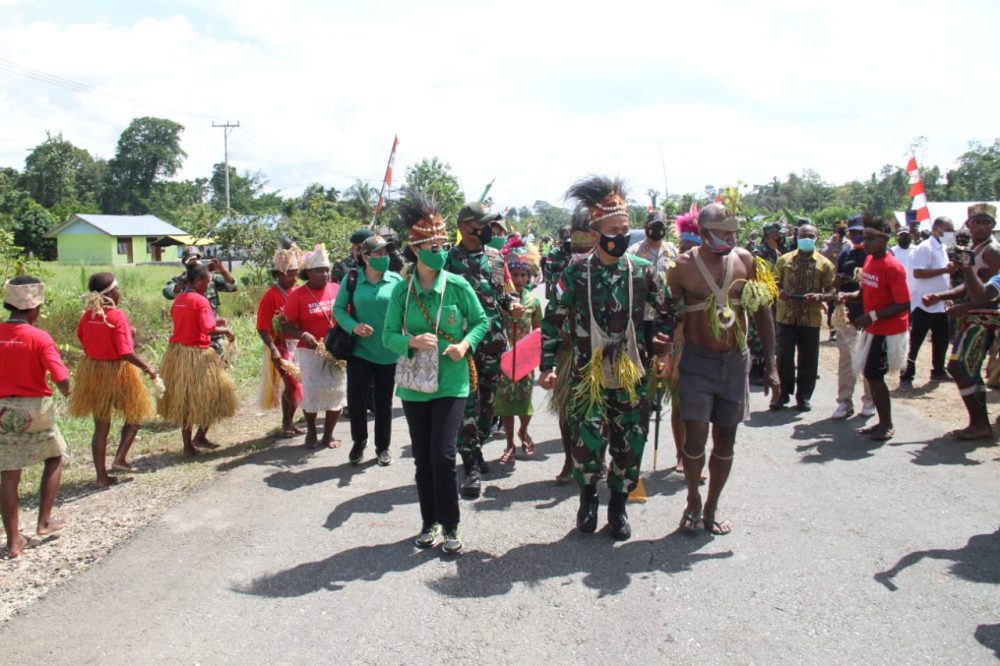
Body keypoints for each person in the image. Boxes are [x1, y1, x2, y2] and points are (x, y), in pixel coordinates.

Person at [539, 176, 676, 541]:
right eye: (613, 229)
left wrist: (664, 345)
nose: (620, 235)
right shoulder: (576, 271)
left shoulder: (643, 271)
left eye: (625, 229)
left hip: (631, 372)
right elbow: (552, 318)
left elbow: (666, 312)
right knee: (587, 442)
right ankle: (587, 500)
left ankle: (617, 506)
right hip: (588, 373)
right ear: (597, 233)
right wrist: (547, 366)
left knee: (630, 442)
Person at [382, 193, 488, 555]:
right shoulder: (402, 291)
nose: (440, 251)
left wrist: (465, 345)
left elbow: (481, 321)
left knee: (443, 456)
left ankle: (452, 525)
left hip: (452, 382)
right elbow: (388, 336)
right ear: (415, 249)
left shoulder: (458, 286)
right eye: (432, 245)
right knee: (423, 458)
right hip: (414, 387)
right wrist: (410, 340)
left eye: (443, 244)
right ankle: (430, 521)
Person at [666, 203, 780, 535]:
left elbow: (762, 313)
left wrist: (771, 364)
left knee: (726, 441)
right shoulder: (681, 267)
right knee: (696, 439)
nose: (731, 238)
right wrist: (664, 356)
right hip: (695, 363)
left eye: (733, 232)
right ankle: (693, 500)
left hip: (733, 363)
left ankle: (712, 505)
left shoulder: (746, 261)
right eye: (723, 232)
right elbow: (667, 316)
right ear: (703, 233)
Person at [445, 201, 522, 497]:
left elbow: (503, 293)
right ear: (465, 227)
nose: (489, 229)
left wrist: (512, 304)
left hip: (494, 341)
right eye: (483, 224)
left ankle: (476, 446)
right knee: (468, 404)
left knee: (489, 404)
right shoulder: (449, 260)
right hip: (463, 345)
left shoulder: (494, 256)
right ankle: (470, 464)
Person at [0, 277, 68, 558]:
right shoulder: (39, 338)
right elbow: (61, 377)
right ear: (34, 308)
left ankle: (14, 541)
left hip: (2, 410)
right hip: (33, 410)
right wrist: (68, 392)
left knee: (9, 473)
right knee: (56, 455)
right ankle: (44, 521)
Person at [70, 272, 158, 485]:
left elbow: (83, 338)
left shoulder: (87, 316)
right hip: (117, 373)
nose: (120, 292)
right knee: (135, 414)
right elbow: (125, 352)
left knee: (101, 425)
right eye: (118, 288)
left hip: (93, 372)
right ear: (110, 293)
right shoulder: (118, 316)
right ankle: (120, 458)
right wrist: (148, 368)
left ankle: (101, 477)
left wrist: (125, 333)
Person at [924, 203, 1000, 439]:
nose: (979, 226)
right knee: (965, 368)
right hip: (974, 316)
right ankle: (979, 422)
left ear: (993, 225)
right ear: (967, 225)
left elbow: (989, 294)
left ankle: (980, 424)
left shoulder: (992, 252)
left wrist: (963, 307)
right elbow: (970, 286)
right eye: (975, 221)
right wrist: (941, 296)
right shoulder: (976, 250)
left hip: (987, 318)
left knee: (959, 366)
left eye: (984, 222)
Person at [837, 214, 910, 441]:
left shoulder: (892, 267)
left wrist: (873, 316)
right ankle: (882, 421)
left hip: (888, 330)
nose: (864, 242)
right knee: (872, 375)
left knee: (873, 375)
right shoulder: (869, 261)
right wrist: (848, 296)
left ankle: (886, 424)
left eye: (869, 238)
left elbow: (904, 303)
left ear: (884, 240)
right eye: (863, 237)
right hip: (874, 328)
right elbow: (865, 292)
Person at [333, 235, 403, 466]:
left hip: (388, 353)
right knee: (357, 400)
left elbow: (406, 311)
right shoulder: (351, 279)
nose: (385, 258)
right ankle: (358, 442)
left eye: (386, 253)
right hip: (360, 352)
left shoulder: (395, 280)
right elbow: (339, 309)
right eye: (379, 254)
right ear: (365, 257)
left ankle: (382, 447)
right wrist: (354, 327)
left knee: (384, 403)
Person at [158, 264, 238, 456]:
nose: (209, 285)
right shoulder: (200, 301)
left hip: (177, 355)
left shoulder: (179, 300)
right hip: (198, 356)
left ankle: (188, 446)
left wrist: (216, 321)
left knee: (185, 401)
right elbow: (207, 329)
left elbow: (188, 322)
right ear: (198, 280)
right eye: (208, 281)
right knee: (216, 395)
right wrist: (226, 330)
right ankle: (200, 436)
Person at [283, 244, 346, 450]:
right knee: (312, 392)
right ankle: (311, 431)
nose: (324, 274)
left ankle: (328, 435)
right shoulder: (297, 296)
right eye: (319, 270)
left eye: (326, 270)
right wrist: (303, 334)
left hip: (335, 351)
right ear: (308, 273)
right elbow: (285, 326)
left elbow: (347, 315)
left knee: (336, 392)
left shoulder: (337, 289)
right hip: (310, 352)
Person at [770, 224, 836, 411]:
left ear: (816, 237)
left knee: (808, 359)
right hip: (786, 317)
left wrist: (820, 297)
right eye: (803, 235)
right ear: (797, 237)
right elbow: (773, 282)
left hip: (811, 318)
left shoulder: (825, 264)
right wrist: (779, 291)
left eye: (810, 235)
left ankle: (804, 396)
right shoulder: (784, 260)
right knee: (784, 357)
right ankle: (783, 394)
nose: (806, 238)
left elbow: (832, 291)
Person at [495, 247, 543, 465]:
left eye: (524, 275)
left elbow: (537, 330)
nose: (520, 279)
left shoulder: (533, 301)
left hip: (525, 360)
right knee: (505, 403)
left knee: (524, 401)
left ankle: (523, 432)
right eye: (515, 275)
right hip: (505, 358)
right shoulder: (502, 301)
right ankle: (509, 444)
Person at [256, 244, 305, 437]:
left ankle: (290, 422)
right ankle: (286, 423)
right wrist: (273, 349)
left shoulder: (298, 291)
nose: (294, 278)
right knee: (292, 384)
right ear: (278, 275)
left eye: (296, 273)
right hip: (280, 345)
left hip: (298, 344)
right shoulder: (270, 296)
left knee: (298, 384)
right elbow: (261, 327)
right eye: (290, 274)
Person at [899, 217, 954, 390]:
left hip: (939, 302)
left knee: (942, 339)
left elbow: (945, 276)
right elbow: (918, 272)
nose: (950, 233)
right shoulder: (925, 247)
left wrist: (947, 294)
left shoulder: (942, 248)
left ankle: (938, 370)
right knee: (915, 341)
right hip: (923, 303)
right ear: (936, 229)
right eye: (948, 229)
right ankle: (906, 375)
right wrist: (945, 270)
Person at [830, 217, 876, 420]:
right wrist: (838, 283)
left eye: (860, 232)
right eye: (853, 232)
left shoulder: (876, 254)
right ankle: (844, 402)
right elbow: (837, 283)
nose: (856, 236)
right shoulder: (846, 253)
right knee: (846, 362)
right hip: (848, 317)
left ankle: (869, 400)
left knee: (867, 362)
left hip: (871, 318)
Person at [163, 247, 238, 355]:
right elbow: (167, 293)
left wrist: (223, 271)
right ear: (184, 262)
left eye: (197, 258)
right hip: (193, 336)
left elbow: (233, 287)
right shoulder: (182, 280)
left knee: (218, 361)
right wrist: (185, 280)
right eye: (190, 260)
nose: (195, 261)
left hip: (214, 332)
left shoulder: (209, 278)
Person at [628, 210, 680, 364]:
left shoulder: (673, 251)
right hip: (643, 315)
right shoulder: (634, 252)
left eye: (660, 227)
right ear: (646, 228)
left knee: (664, 356)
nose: (657, 231)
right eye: (653, 227)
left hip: (666, 314)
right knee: (644, 356)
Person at [542, 225, 573, 301]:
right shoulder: (554, 253)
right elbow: (548, 271)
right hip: (558, 290)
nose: (568, 244)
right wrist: (547, 289)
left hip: (574, 290)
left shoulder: (578, 252)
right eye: (565, 241)